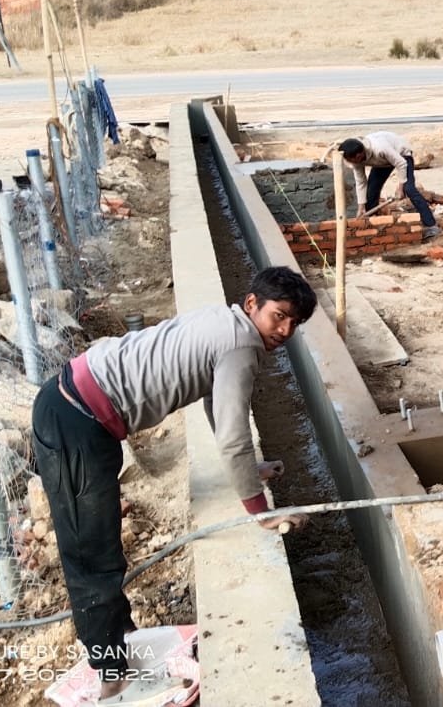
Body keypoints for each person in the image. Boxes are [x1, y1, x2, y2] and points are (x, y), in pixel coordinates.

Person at [28, 266, 318, 700]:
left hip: (80, 408)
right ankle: (111, 676)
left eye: (295, 323)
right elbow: (234, 436)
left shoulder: (225, 322)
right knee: (90, 555)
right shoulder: (242, 344)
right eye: (279, 316)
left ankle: (121, 637)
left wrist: (248, 471)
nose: (285, 330)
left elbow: (219, 405)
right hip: (76, 420)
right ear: (252, 304)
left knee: (100, 543)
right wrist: (261, 513)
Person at [339, 131, 440, 238]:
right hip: (382, 162)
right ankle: (373, 226)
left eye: (352, 160)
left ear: (359, 155)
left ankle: (431, 225)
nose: (352, 163)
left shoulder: (380, 148)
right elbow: (361, 182)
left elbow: (401, 164)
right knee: (371, 193)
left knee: (409, 189)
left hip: (401, 155)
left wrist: (400, 188)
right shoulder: (355, 160)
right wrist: (361, 207)